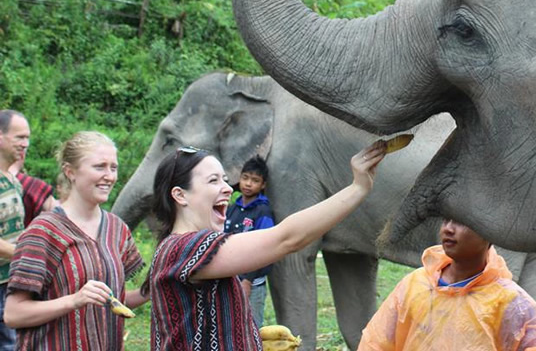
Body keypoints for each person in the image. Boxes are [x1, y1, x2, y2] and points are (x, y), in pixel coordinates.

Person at [144, 141, 386, 350]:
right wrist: (357, 188)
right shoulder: (183, 249)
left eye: (226, 180)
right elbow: (287, 239)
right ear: (180, 195)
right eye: (213, 181)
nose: (228, 188)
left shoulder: (178, 249)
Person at [3, 131, 147, 350]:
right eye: (99, 166)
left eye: (113, 167)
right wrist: (74, 300)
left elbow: (114, 301)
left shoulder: (118, 230)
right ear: (70, 172)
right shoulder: (43, 231)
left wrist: (152, 288)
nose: (109, 176)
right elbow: (14, 314)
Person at [358, 219, 536, 351]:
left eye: (462, 222)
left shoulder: (509, 301)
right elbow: (376, 343)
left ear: (491, 233)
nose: (448, 229)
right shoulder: (415, 285)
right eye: (446, 220)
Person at [223, 155, 275, 328]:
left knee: (250, 326)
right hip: (228, 279)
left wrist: (248, 281)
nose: (248, 184)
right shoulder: (232, 209)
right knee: (228, 325)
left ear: (263, 185)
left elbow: (265, 248)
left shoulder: (263, 211)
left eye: (255, 180)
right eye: (245, 178)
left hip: (252, 283)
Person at [0, 111, 28, 350]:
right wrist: (27, 255)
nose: (25, 144)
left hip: (11, 280)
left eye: (27, 138)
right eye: (19, 137)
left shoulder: (11, 179)